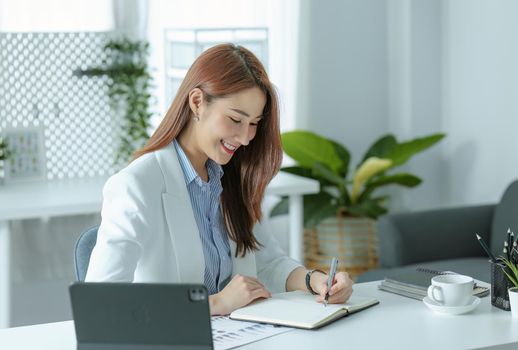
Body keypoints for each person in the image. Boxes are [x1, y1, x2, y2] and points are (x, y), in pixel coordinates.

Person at [85, 43, 353, 315]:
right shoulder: (136, 185)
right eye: (236, 119)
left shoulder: (230, 177)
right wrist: (217, 303)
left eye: (254, 123)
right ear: (197, 102)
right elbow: (103, 299)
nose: (247, 137)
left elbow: (268, 263)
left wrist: (315, 281)